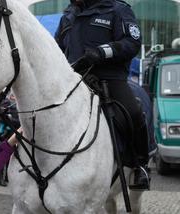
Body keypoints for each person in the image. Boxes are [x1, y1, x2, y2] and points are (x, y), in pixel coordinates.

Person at [54, 0, 149, 190]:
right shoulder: (67, 16)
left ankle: (140, 166)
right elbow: (56, 49)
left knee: (133, 112)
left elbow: (132, 42)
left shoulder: (117, 10)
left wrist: (102, 52)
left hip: (109, 79)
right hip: (74, 80)